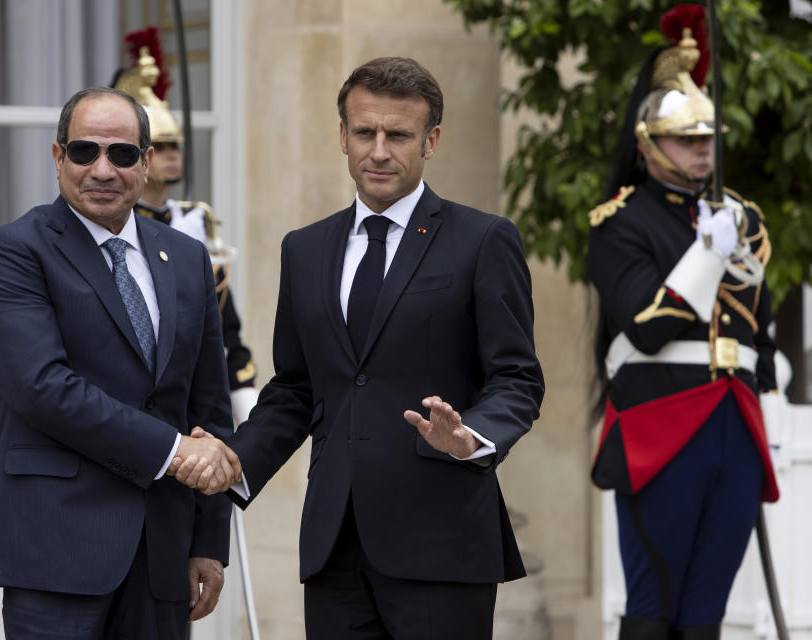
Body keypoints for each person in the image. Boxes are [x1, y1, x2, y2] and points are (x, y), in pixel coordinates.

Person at [177, 56, 544, 638]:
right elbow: (296, 389)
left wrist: (469, 437)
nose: (379, 151)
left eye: (398, 135)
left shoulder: (483, 241)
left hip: (442, 543)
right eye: (365, 132)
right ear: (342, 136)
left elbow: (518, 379)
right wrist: (235, 462)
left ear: (431, 141)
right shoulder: (305, 248)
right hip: (333, 547)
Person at [0, 86, 242, 640]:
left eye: (121, 154)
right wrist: (172, 451)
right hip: (56, 552)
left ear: (145, 163)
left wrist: (209, 544)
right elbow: (41, 387)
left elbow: (208, 403)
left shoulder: (187, 258)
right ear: (56, 157)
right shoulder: (13, 251)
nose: (102, 169)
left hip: (164, 556)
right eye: (83, 151)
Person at [587, 6, 779, 638]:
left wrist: (736, 249)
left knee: (705, 617)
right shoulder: (621, 223)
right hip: (661, 425)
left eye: (707, 139)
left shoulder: (739, 218)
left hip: (734, 422)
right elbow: (648, 326)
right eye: (686, 139)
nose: (702, 150)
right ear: (648, 146)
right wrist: (706, 253)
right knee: (653, 608)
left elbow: (760, 330)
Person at [113, 39, 259, 426]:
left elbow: (226, 330)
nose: (172, 153)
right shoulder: (112, 226)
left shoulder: (195, 223)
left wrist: (247, 403)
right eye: (159, 146)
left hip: (195, 405)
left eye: (175, 145)